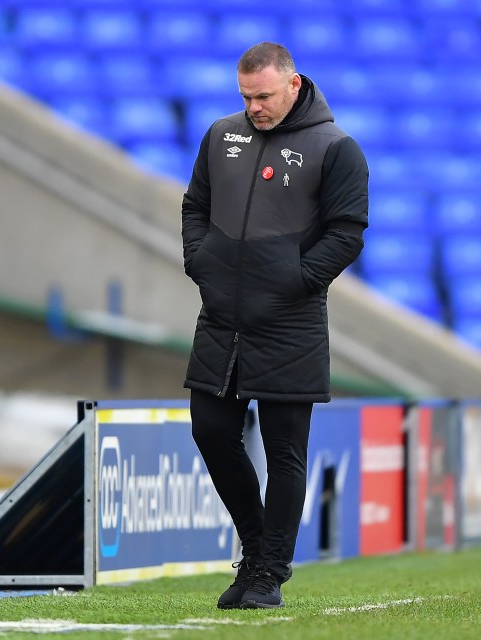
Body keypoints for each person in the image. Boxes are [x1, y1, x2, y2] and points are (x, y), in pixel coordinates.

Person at [180, 42, 369, 610]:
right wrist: (200, 260)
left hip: (290, 322)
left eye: (262, 96)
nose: (254, 106)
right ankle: (258, 547)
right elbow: (194, 206)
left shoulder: (336, 148)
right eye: (246, 96)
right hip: (222, 317)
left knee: (286, 453)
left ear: (293, 84)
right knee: (210, 430)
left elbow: (348, 232)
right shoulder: (220, 136)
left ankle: (269, 575)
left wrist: (296, 280)